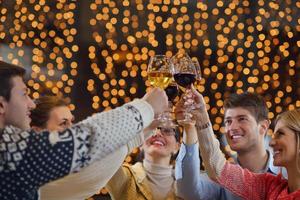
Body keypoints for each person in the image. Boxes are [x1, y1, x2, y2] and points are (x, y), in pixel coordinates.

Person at [0, 60, 169, 200]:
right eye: (23, 94)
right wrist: (145, 108)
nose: (30, 104)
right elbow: (85, 144)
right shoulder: (8, 149)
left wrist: (143, 127)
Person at [177, 87, 300, 199]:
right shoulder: (270, 185)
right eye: (228, 121)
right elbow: (215, 170)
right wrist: (197, 121)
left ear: (263, 127)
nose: (272, 142)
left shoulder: (276, 180)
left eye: (242, 119)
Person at [105, 124, 184, 200]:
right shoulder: (126, 177)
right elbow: (106, 149)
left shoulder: (186, 186)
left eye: (167, 130)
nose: (157, 133)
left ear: (177, 147)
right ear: (141, 142)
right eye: (152, 129)